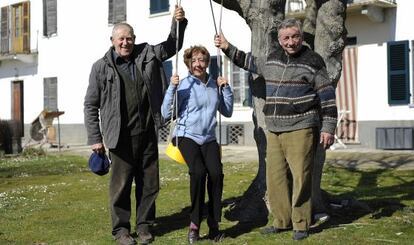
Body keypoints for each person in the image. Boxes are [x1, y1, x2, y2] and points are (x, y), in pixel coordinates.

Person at [215, 18, 337, 240]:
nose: (291, 42)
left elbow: (327, 96)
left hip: (301, 126)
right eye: (286, 38)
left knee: (301, 177)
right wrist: (226, 46)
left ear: (301, 37)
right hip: (274, 128)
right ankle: (282, 221)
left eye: (295, 36)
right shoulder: (271, 59)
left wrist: (329, 127)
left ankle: (301, 224)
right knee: (275, 177)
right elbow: (248, 61)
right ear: (280, 41)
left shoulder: (313, 60)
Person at [83, 5, 187, 245]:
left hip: (148, 132)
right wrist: (95, 138)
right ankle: (121, 230)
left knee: (149, 184)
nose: (125, 42)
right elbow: (90, 105)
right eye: (121, 39)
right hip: (119, 136)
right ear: (113, 41)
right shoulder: (101, 67)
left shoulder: (148, 54)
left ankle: (144, 226)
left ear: (135, 39)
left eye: (129, 38)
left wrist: (178, 22)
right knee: (120, 187)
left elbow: (173, 45)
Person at [161, 45, 233, 244]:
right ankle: (194, 224)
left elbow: (227, 111)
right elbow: (166, 114)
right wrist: (171, 88)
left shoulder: (213, 84)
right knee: (199, 172)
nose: (198, 64)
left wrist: (226, 89)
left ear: (207, 62)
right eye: (194, 61)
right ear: (188, 64)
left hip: (208, 137)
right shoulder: (184, 85)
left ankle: (214, 223)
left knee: (216, 173)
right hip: (186, 136)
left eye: (202, 60)